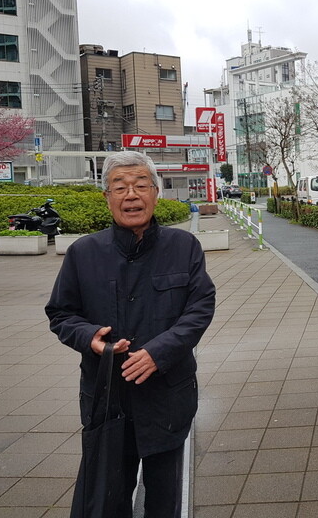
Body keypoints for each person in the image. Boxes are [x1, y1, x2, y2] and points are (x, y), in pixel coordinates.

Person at [46, 151, 215, 518]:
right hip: (107, 398)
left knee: (164, 500)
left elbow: (200, 306)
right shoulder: (83, 253)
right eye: (119, 187)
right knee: (106, 499)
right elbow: (60, 313)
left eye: (141, 186)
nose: (131, 195)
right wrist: (89, 336)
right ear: (106, 197)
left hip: (167, 396)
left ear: (156, 193)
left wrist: (160, 352)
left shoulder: (183, 248)